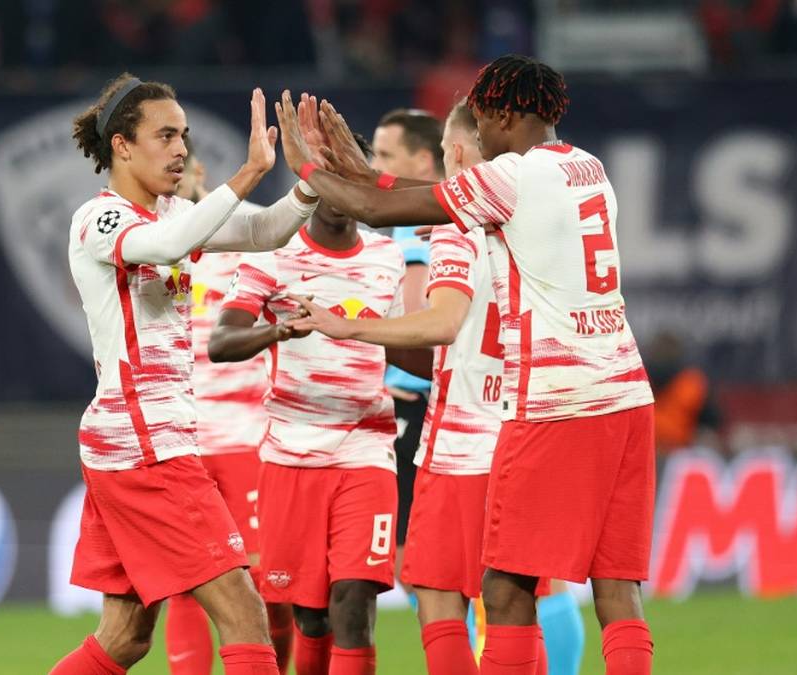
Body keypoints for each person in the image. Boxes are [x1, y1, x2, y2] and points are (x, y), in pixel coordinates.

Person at [274, 54, 657, 675]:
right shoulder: (589, 168)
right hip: (626, 391)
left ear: (504, 116)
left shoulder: (512, 175)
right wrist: (360, 173)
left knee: (504, 589)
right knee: (616, 585)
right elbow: (406, 197)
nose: (481, 137)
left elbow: (381, 212)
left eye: (482, 123)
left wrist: (308, 170)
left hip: (553, 401)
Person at [50, 73, 321, 675]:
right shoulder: (100, 220)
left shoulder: (175, 212)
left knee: (124, 637)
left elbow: (263, 231)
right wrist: (248, 173)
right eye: (165, 136)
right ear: (122, 146)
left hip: (141, 442)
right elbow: (167, 244)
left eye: (184, 136)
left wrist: (310, 180)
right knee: (245, 615)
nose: (180, 149)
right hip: (145, 446)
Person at [206, 132, 405, 675]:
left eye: (348, 177)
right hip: (291, 456)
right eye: (326, 177)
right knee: (311, 617)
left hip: (366, 451)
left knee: (353, 602)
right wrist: (278, 330)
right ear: (307, 182)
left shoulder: (387, 257)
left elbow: (406, 345)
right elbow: (222, 342)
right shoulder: (274, 256)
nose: (338, 190)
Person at [163, 147, 294, 675]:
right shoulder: (150, 247)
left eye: (178, 175)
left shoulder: (252, 238)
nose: (170, 190)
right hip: (180, 445)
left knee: (269, 583)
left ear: (199, 173)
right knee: (187, 584)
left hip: (248, 438)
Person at [368, 108, 444, 590]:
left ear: (421, 160)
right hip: (459, 396)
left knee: (414, 566)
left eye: (385, 155)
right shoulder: (460, 214)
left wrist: (394, 373)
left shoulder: (413, 225)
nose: (375, 167)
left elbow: (417, 317)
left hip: (416, 401)